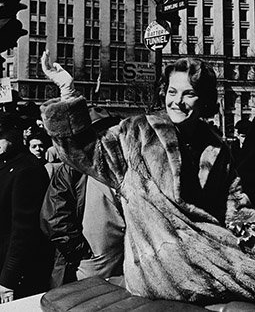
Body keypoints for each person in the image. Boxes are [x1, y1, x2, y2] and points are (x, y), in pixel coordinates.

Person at [40, 52, 255, 305]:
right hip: (158, 269)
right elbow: (84, 151)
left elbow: (235, 203)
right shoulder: (138, 132)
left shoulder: (216, 147)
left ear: (204, 100)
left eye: (189, 94)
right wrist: (68, 90)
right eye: (172, 92)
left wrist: (247, 234)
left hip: (209, 254)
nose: (178, 102)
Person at [40, 164, 125, 288]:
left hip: (123, 263)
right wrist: (82, 252)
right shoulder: (73, 169)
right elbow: (54, 218)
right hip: (90, 264)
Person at [0, 111, 53, 303]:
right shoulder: (5, 163)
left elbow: (23, 230)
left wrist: (8, 279)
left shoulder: (27, 169)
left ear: (16, 135)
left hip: (15, 272)